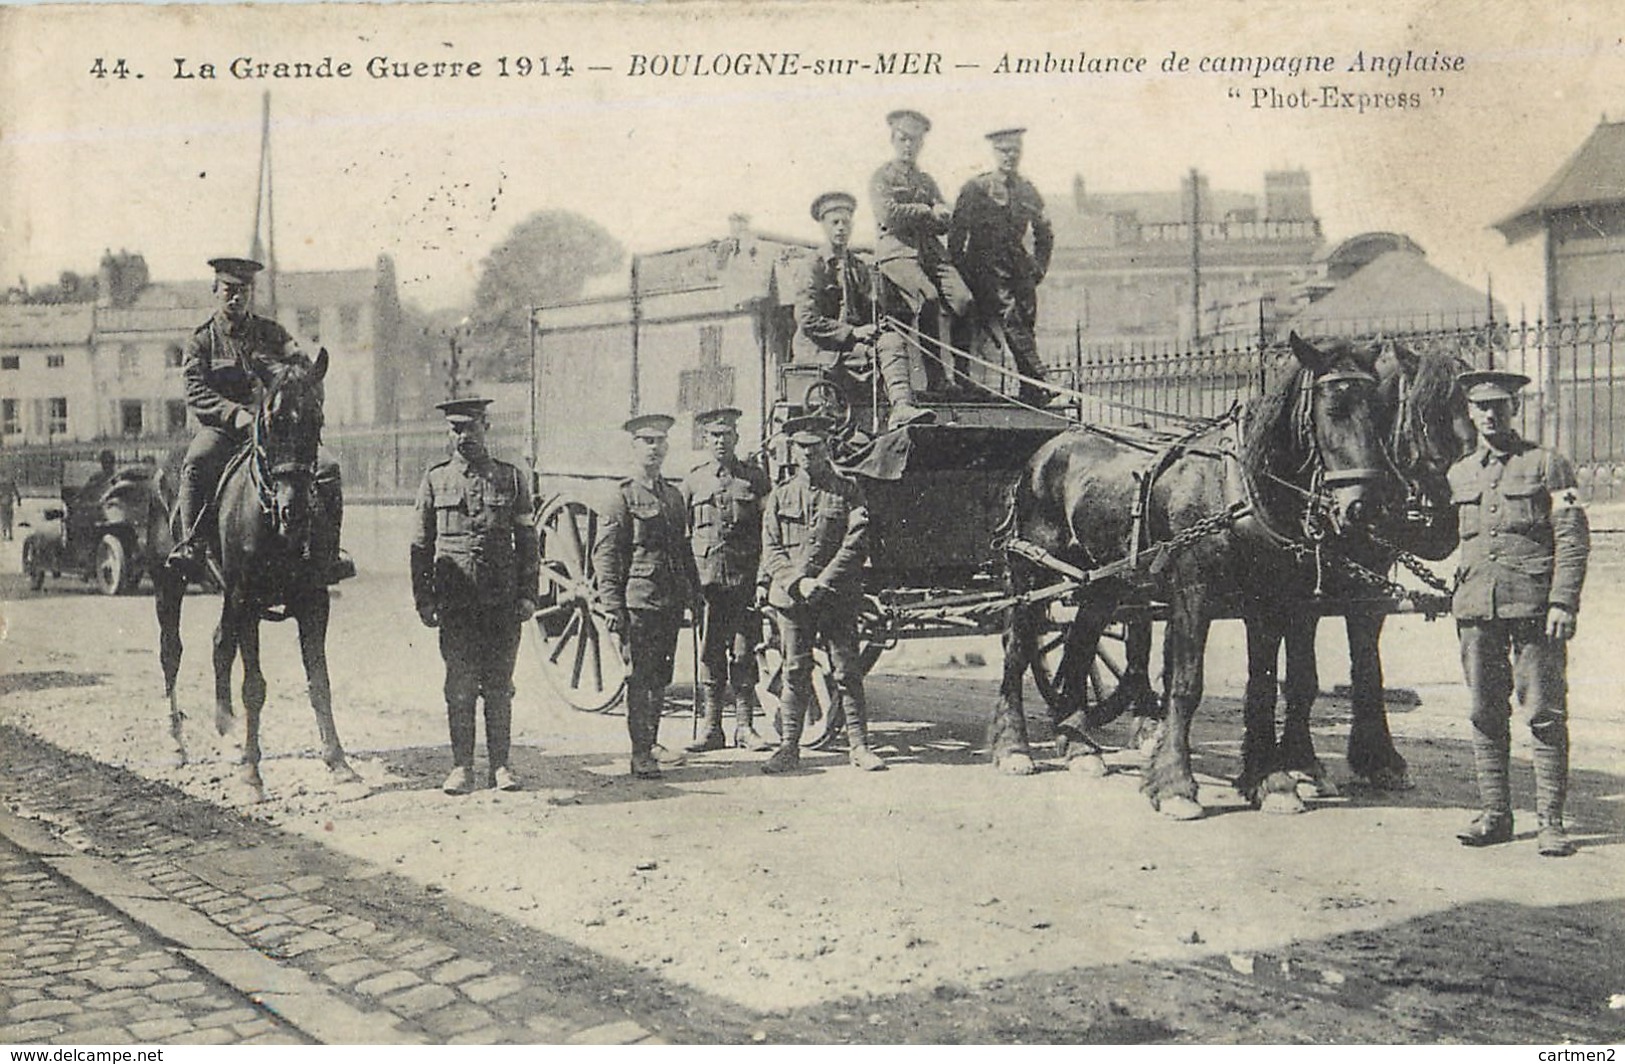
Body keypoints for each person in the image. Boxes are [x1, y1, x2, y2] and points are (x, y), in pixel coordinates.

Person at [1449, 370, 1590, 857]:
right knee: (1484, 712)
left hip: (1534, 607)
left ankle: (1551, 822)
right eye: (1482, 407)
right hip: (1476, 609)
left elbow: (1572, 537)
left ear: (1515, 409)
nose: (1491, 415)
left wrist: (1563, 601)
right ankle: (1495, 815)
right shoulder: (1459, 473)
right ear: (1469, 412)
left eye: (1501, 406)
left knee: (1545, 713)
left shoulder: (1549, 465)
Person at [168, 257, 347, 584]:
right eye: (229, 290)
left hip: (274, 432)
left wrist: (301, 396)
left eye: (243, 291)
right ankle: (191, 546)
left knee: (328, 468)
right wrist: (233, 414)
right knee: (196, 463)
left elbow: (304, 371)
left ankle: (330, 553)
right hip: (224, 430)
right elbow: (195, 391)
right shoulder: (202, 341)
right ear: (215, 290)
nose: (236, 297)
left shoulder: (272, 333)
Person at [410, 397, 539, 795]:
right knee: (460, 685)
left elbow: (528, 541)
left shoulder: (511, 479)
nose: (463, 436)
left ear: (487, 427)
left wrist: (528, 594)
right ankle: (462, 766)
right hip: (456, 604)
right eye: (455, 429)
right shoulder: (435, 481)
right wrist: (424, 600)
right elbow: (420, 546)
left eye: (471, 427)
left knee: (499, 685)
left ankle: (500, 766)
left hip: (501, 601)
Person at [758, 415, 886, 774]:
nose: (806, 455)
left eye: (814, 449)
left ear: (826, 448)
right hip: (793, 599)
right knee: (795, 671)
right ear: (793, 451)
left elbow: (856, 541)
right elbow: (771, 549)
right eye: (800, 448)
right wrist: (797, 583)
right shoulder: (780, 495)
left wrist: (823, 582)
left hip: (837, 598)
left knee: (847, 671)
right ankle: (788, 749)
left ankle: (860, 747)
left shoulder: (848, 491)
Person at [593, 413, 702, 779]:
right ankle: (640, 753)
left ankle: (651, 741)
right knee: (639, 678)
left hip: (668, 600)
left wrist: (694, 595)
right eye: (647, 442)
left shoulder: (672, 496)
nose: (655, 449)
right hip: (637, 602)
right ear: (634, 447)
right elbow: (606, 555)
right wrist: (612, 607)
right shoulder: (621, 496)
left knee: (660, 678)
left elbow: (683, 551)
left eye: (660, 442)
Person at [795, 191, 934, 431]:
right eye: (834, 222)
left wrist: (879, 324)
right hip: (820, 350)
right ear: (823, 225)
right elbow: (807, 320)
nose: (841, 228)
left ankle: (902, 408)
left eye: (846, 222)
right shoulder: (812, 266)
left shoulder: (858, 266)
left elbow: (873, 311)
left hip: (850, 348)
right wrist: (853, 333)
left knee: (890, 340)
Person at [680, 407, 774, 752]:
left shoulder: (755, 480)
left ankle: (745, 727)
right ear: (705, 440)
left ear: (736, 438)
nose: (721, 441)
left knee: (744, 654)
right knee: (711, 656)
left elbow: (770, 533)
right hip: (708, 586)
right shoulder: (693, 481)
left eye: (727, 435)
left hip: (744, 583)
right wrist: (689, 587)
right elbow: (682, 537)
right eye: (714, 436)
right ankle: (711, 728)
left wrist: (763, 578)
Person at [869, 110, 975, 398]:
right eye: (903, 139)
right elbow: (888, 214)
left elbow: (946, 218)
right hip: (897, 253)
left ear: (921, 145)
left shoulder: (926, 181)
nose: (908, 145)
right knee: (928, 297)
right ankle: (937, 379)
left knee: (964, 299)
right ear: (893, 139)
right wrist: (927, 211)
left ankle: (964, 377)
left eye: (914, 141)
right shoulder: (882, 177)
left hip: (930, 253)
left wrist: (933, 214)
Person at [950, 127, 1056, 407]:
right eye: (1004, 151)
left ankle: (1030, 390)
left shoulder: (1027, 189)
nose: (1010, 156)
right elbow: (956, 235)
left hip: (1018, 266)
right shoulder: (976, 188)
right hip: (984, 267)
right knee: (1010, 317)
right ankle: (1040, 379)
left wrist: (1039, 266)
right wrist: (962, 274)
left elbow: (1044, 232)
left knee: (1027, 318)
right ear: (994, 152)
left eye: (1015, 151)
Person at [0, 467, 18, 541]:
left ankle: (4, 534)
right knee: (9, 518)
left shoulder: (1, 482)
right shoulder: (10, 481)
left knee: (3, 518)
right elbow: (15, 490)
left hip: (2, 502)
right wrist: (19, 499)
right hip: (9, 502)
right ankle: (10, 534)